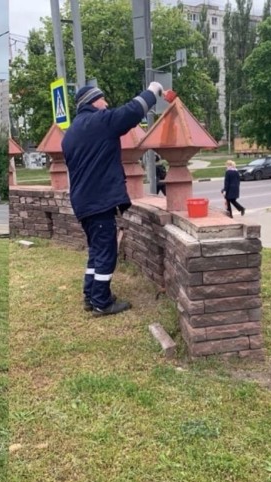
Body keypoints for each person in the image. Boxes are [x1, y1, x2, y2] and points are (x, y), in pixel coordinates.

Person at [61, 81, 167, 317]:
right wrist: (153, 90)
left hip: (84, 202)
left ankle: (90, 296)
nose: (106, 103)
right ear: (92, 102)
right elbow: (131, 112)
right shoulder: (99, 122)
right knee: (106, 251)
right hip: (99, 202)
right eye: (103, 99)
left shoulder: (71, 133)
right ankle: (101, 302)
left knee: (96, 251)